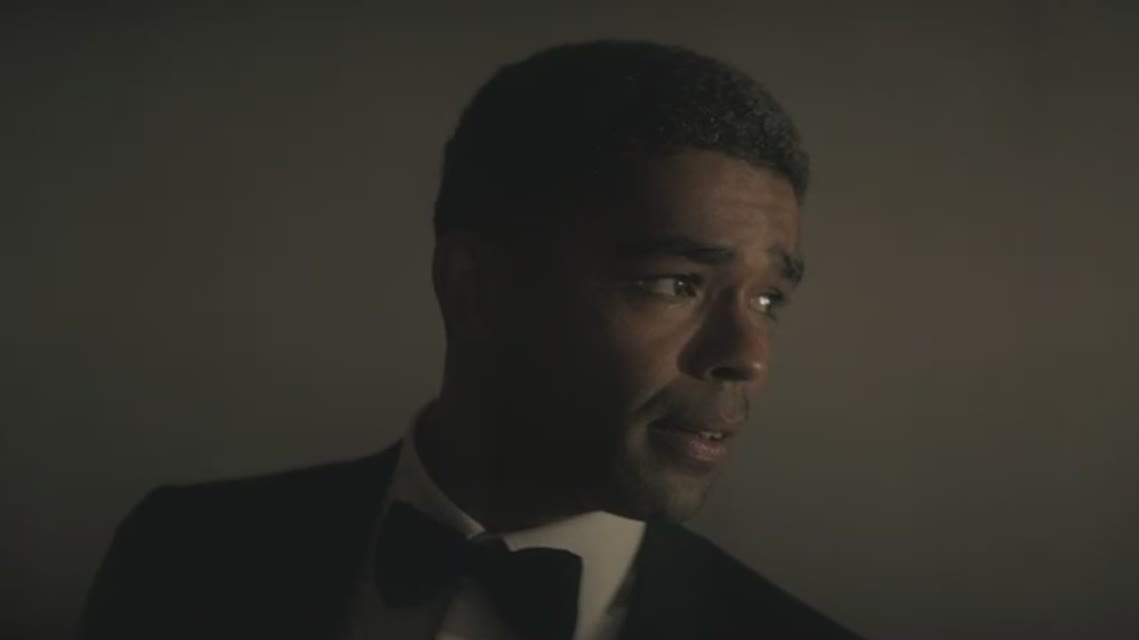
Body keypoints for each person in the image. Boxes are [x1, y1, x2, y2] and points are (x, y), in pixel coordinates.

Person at [80, 40, 862, 640]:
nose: (747, 354)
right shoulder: (180, 551)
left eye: (769, 298)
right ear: (476, 286)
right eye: (675, 283)